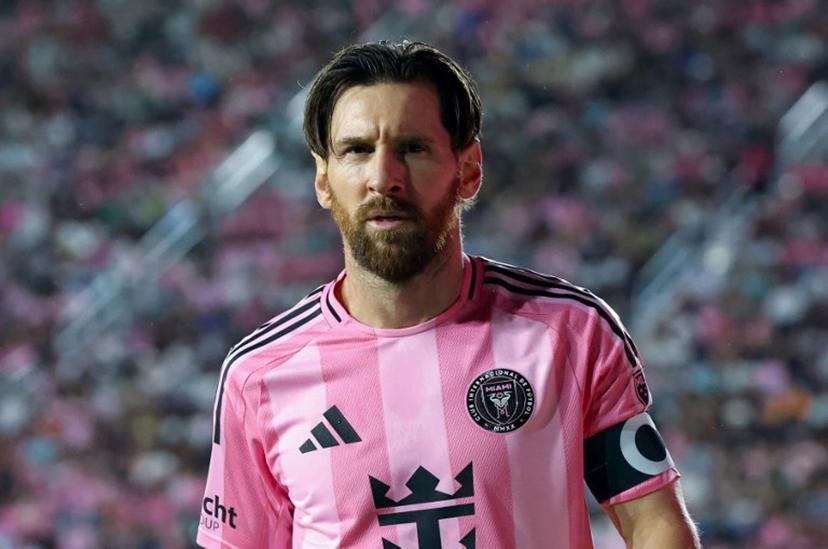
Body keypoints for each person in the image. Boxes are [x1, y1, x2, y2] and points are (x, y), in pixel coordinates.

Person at [197, 40, 700, 549]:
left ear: (468, 169)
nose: (383, 178)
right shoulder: (259, 376)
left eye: (412, 148)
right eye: (356, 151)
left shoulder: (569, 330)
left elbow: (655, 522)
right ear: (323, 180)